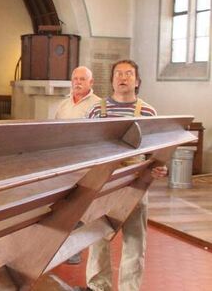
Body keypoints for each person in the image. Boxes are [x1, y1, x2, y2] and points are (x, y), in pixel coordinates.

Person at [83, 59, 168, 291]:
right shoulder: (95, 110)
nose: (123, 78)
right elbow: (84, 147)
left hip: (136, 184)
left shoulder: (148, 111)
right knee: (98, 237)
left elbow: (156, 151)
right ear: (111, 80)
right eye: (118, 74)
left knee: (135, 241)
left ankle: (130, 288)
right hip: (103, 183)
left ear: (137, 81)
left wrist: (160, 168)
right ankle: (99, 286)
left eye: (129, 74)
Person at [54, 66, 100, 265]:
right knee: (64, 204)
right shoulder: (63, 105)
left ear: (91, 83)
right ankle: (59, 247)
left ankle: (74, 250)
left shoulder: (99, 105)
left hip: (86, 162)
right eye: (75, 79)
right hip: (65, 162)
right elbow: (54, 131)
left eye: (82, 79)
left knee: (80, 205)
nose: (78, 82)